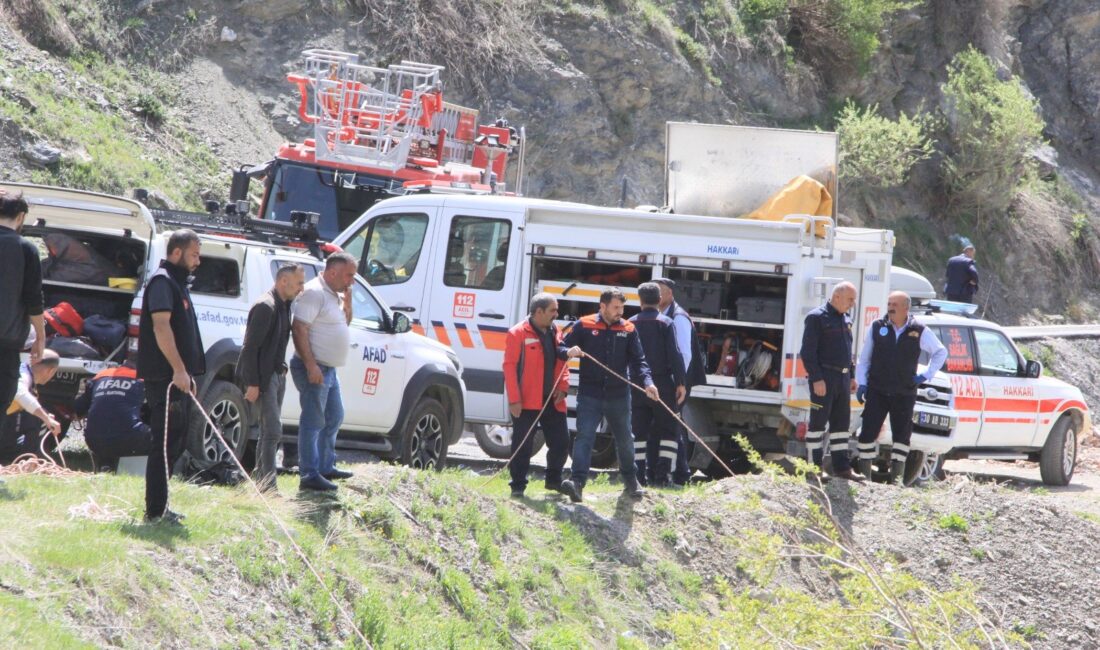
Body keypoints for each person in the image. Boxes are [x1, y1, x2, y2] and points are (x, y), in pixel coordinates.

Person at [559, 289, 660, 503]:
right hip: (590, 393)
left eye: (622, 308)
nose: (620, 312)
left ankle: (631, 481)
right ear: (602, 306)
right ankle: (577, 482)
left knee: (625, 439)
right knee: (585, 436)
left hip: (619, 395)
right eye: (616, 307)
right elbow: (561, 347)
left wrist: (648, 383)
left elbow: (639, 361)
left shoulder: (629, 328)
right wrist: (568, 352)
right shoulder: (584, 324)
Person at [138, 229, 206, 524]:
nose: (198, 261)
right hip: (164, 377)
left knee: (175, 441)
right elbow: (161, 328)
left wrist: (188, 372)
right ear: (176, 253)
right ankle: (154, 511)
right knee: (163, 442)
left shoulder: (179, 284)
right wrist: (178, 369)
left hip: (179, 378)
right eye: (194, 254)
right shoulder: (163, 282)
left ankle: (162, 505)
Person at [855, 291, 947, 485]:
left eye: (895, 304)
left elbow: (940, 352)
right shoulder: (878, 326)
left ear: (906, 307)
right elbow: (864, 360)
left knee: (902, 435)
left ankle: (897, 481)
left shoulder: (918, 329)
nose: (890, 307)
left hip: (904, 392)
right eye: (889, 303)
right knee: (867, 433)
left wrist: (925, 375)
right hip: (877, 389)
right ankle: (865, 478)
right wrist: (862, 383)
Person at [290, 252, 356, 492]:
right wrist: (310, 365)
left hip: (329, 369)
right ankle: (309, 473)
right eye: (349, 275)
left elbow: (344, 323)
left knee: (335, 416)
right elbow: (299, 328)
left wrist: (348, 304)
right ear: (332, 272)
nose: (352, 281)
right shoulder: (314, 292)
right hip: (314, 367)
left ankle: (326, 466)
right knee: (313, 420)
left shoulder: (335, 294)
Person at [237, 263, 304, 492]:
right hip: (263, 379)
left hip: (277, 375)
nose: (301, 288)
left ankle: (260, 480)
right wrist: (253, 383)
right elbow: (250, 348)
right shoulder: (266, 306)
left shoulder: (285, 304)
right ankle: (268, 486)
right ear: (283, 281)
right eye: (299, 283)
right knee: (273, 431)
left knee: (268, 431)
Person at [502, 293, 571, 498]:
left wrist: (564, 386)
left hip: (552, 399)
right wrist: (514, 400)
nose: (556, 314)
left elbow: (562, 361)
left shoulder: (555, 330)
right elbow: (509, 367)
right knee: (522, 445)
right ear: (538, 312)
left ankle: (553, 481)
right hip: (526, 401)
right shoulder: (517, 333)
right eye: (553, 310)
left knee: (561, 442)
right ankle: (518, 486)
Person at [799, 281, 865, 482]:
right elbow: (807, 352)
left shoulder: (846, 318)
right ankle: (814, 469)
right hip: (824, 378)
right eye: (850, 299)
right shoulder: (817, 318)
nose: (852, 304)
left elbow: (848, 350)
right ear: (837, 296)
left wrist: (852, 375)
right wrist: (817, 378)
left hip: (842, 379)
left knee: (841, 426)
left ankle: (842, 468)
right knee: (818, 424)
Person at [629, 283, 687, 487]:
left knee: (639, 431)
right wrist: (680, 382)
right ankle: (663, 477)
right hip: (662, 384)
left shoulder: (630, 323)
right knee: (669, 430)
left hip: (636, 384)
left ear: (640, 300)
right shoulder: (666, 322)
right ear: (659, 299)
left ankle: (638, 477)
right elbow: (675, 353)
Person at [0, 191, 46, 435]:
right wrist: (40, 336)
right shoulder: (25, 249)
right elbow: (33, 299)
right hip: (5, 343)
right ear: (20, 216)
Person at [654, 277, 703, 486]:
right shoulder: (661, 315)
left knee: (670, 426)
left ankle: (677, 474)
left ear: (670, 295)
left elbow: (684, 354)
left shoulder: (678, 317)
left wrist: (678, 382)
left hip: (677, 382)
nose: (656, 296)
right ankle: (682, 473)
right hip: (670, 381)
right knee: (671, 424)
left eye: (660, 292)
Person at [73, 361, 152, 471]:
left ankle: (106, 464)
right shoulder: (143, 378)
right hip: (131, 439)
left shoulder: (101, 375)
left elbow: (77, 409)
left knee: (109, 424)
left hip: (94, 441)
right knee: (160, 434)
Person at [0, 351, 61, 463]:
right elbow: (19, 392)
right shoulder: (23, 374)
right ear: (51, 371)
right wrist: (46, 418)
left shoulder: (24, 371)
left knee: (41, 414)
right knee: (41, 417)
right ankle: (28, 458)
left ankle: (24, 456)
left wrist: (45, 415)